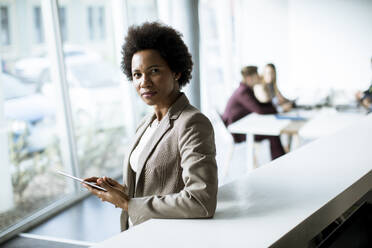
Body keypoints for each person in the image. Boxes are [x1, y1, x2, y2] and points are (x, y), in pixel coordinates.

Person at [82, 22, 218, 231]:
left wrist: (128, 203)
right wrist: (123, 192)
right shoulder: (146, 124)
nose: (144, 82)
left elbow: (201, 201)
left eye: (153, 71)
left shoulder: (192, 123)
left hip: (169, 237)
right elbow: (158, 186)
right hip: (139, 231)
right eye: (137, 74)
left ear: (176, 72)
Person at [222, 66, 285, 160]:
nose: (260, 77)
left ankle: (280, 160)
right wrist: (278, 110)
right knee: (273, 133)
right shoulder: (243, 92)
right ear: (249, 78)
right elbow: (259, 110)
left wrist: (275, 107)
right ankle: (280, 161)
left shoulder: (246, 90)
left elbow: (260, 105)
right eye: (256, 75)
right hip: (238, 132)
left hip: (242, 126)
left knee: (272, 132)